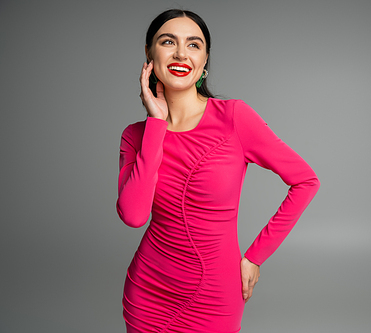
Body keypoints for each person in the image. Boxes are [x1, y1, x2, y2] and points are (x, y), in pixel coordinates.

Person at [116, 9, 320, 333]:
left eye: (194, 45)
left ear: (205, 60)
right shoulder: (135, 135)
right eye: (168, 41)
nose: (181, 53)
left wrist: (254, 256)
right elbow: (134, 215)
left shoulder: (235, 118)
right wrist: (155, 124)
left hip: (215, 297)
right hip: (147, 294)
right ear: (149, 53)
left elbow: (306, 181)